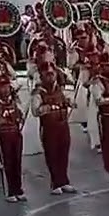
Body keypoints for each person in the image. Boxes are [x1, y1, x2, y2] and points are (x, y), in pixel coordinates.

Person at [31, 65, 76, 195]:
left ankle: (64, 180)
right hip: (49, 127)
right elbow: (35, 111)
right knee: (52, 154)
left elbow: (66, 100)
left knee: (63, 153)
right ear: (42, 76)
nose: (51, 76)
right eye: (47, 74)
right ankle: (55, 182)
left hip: (63, 125)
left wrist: (69, 102)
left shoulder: (60, 90)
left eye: (52, 74)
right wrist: (46, 108)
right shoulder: (38, 93)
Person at [0, 77, 28, 203]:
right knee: (7, 162)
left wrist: (19, 116)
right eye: (3, 86)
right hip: (4, 135)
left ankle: (18, 189)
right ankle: (10, 191)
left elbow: (21, 113)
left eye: (7, 86)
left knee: (17, 162)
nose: (6, 89)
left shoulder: (14, 100)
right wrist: (4, 120)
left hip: (16, 133)